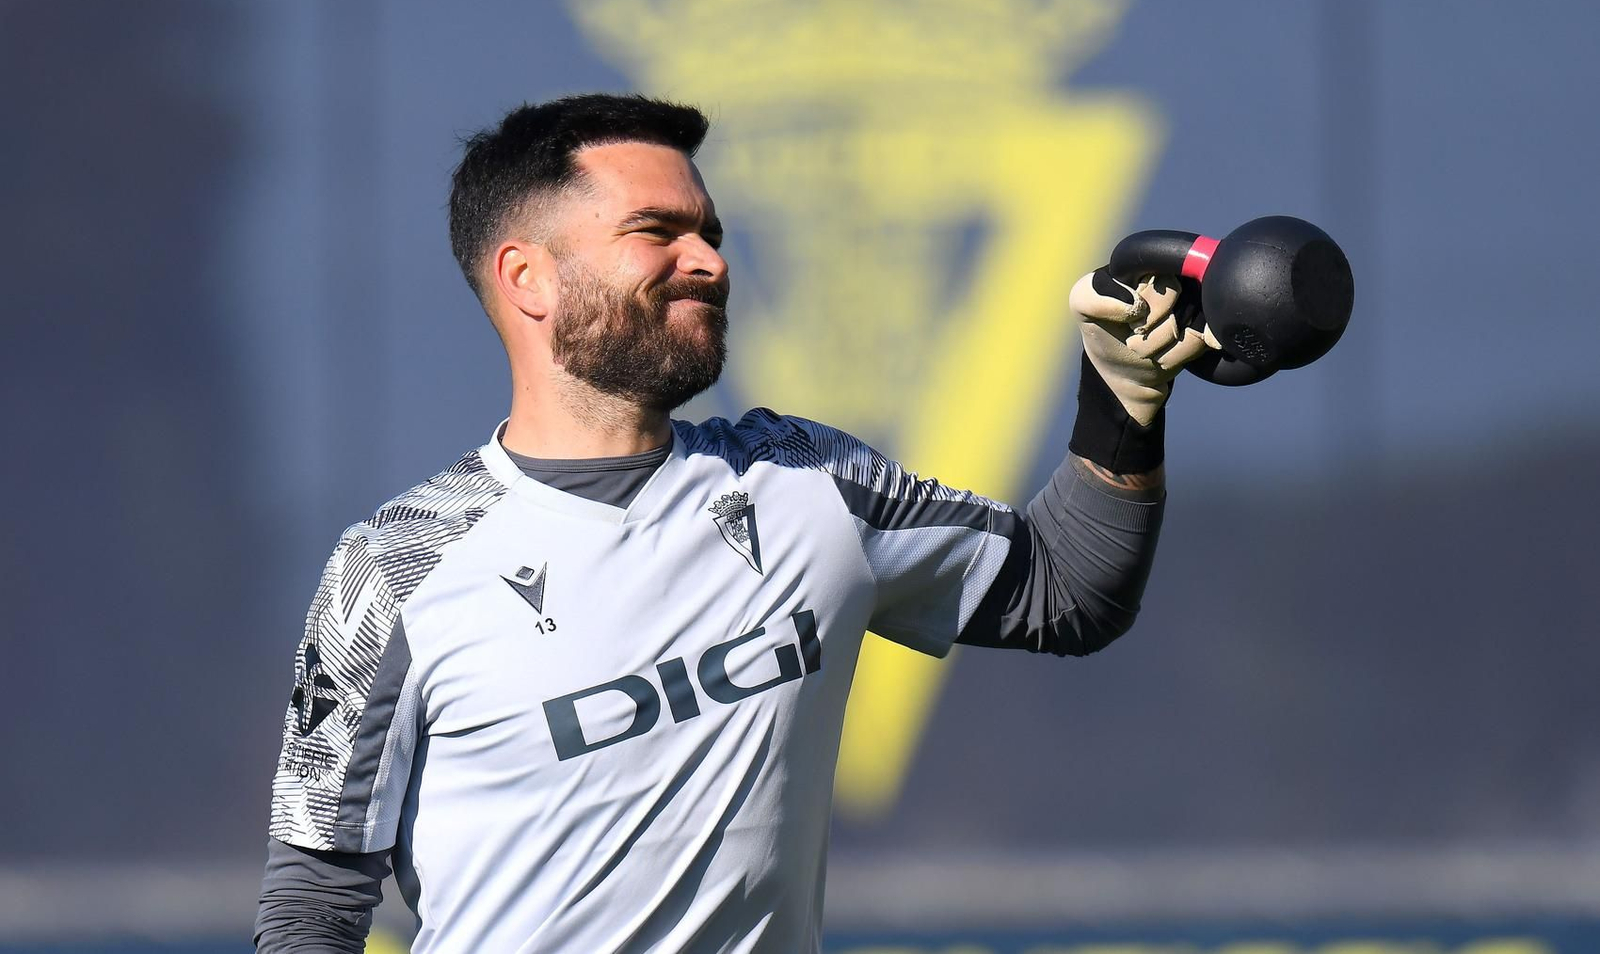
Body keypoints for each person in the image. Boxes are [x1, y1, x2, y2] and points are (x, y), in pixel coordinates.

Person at [254, 93, 1212, 953]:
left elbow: (1065, 591)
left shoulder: (806, 478)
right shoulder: (392, 571)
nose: (709, 260)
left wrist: (1123, 399)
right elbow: (314, 906)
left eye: (709, 231)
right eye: (655, 231)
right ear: (528, 278)